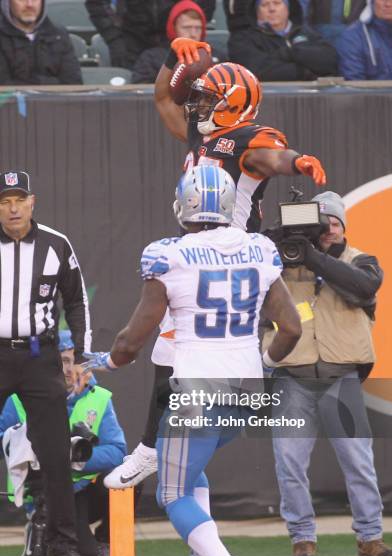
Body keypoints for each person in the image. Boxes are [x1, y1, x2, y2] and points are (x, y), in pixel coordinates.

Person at [103, 36, 326, 491]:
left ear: (233, 105)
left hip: (231, 256)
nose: (197, 104)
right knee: (168, 350)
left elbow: (270, 156)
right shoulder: (202, 135)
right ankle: (164, 449)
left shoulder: (246, 140)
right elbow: (164, 95)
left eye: (207, 98)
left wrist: (297, 161)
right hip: (202, 256)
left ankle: (152, 449)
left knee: (174, 346)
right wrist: (172, 55)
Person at [83, 165, 302, 556]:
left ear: (183, 205)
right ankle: (203, 552)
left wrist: (107, 360)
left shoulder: (170, 254)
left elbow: (132, 338)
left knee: (173, 492)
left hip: (198, 388)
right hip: (246, 390)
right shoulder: (258, 248)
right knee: (184, 465)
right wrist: (264, 362)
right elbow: (291, 328)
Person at [262, 191, 392, 556]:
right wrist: (274, 240)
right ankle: (302, 540)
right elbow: (253, 284)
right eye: (321, 225)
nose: (328, 231)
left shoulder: (363, 261)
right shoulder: (283, 264)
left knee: (358, 461)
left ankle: (370, 539)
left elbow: (362, 290)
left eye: (334, 224)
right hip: (293, 377)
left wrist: (313, 257)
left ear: (344, 227)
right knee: (289, 462)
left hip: (342, 378)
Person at [0, 170, 91, 556]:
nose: (13, 207)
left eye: (19, 199)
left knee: (56, 454)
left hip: (40, 357)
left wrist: (83, 355)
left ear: (33, 202)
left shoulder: (56, 244)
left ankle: (61, 544)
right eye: (5, 201)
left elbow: (77, 301)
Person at [0, 330, 127, 556]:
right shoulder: (16, 399)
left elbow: (118, 450)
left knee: (130, 475)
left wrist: (69, 458)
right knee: (86, 555)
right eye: (59, 360)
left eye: (70, 360)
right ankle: (41, 528)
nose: (66, 368)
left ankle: (104, 540)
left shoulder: (99, 397)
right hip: (42, 489)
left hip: (84, 488)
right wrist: (22, 442)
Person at [225, 0, 338, 81]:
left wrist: (290, 53)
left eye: (277, 3)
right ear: (256, 12)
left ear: (288, 8)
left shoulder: (307, 34)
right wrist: (306, 73)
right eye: (264, 5)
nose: (272, 9)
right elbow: (256, 72)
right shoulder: (242, 39)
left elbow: (329, 60)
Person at [85, 0, 215, 69]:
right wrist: (114, 39)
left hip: (174, 40)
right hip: (129, 41)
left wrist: (190, 19)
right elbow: (96, 4)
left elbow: (206, 5)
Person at [132, 1, 221, 84]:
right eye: (187, 28)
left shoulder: (216, 56)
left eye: (198, 28)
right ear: (174, 28)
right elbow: (142, 92)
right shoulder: (151, 58)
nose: (193, 34)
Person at [0, 0, 83, 85]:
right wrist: (52, 82)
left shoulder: (58, 34)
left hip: (57, 98)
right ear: (7, 2)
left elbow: (73, 83)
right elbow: (4, 85)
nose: (30, 4)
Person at [337, 0, 392, 80]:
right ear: (371, 2)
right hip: (369, 92)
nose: (388, 4)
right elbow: (354, 84)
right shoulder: (353, 37)